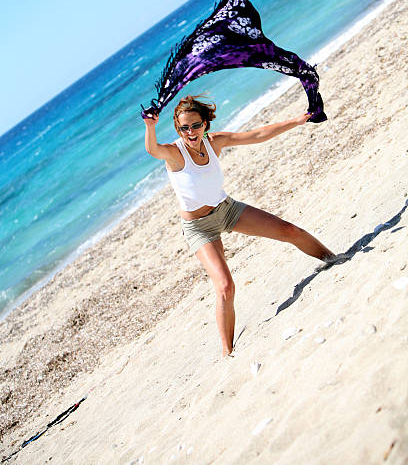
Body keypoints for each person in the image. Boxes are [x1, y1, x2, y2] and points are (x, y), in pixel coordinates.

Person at [143, 95, 335, 357]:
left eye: (195, 125)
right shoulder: (175, 153)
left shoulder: (214, 142)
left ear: (205, 124)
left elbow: (257, 135)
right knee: (225, 287)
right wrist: (150, 127)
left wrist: (297, 120)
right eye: (184, 128)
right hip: (199, 228)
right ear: (178, 129)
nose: (191, 132)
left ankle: (334, 259)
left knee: (290, 231)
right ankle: (227, 351)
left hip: (227, 209)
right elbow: (153, 150)